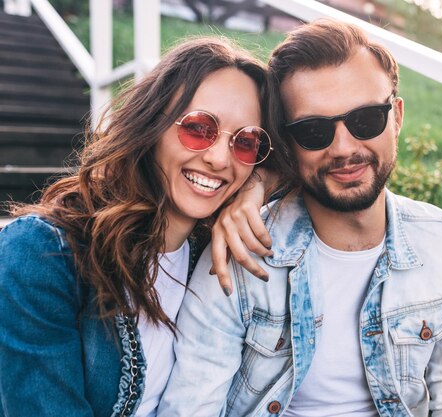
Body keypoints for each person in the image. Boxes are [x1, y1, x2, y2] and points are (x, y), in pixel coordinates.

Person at [158, 19, 442, 416]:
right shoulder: (238, 254)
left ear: (397, 117)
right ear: (288, 141)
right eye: (314, 131)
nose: (343, 147)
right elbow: (190, 408)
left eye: (365, 120)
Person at [0, 36, 290, 417]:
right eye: (199, 128)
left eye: (246, 142)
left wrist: (256, 186)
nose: (220, 159)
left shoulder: (210, 254)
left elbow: (315, 172)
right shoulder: (43, 254)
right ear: (152, 123)